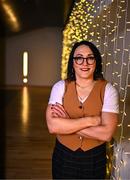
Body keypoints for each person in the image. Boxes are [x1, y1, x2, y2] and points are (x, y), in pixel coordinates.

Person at [46, 40, 119, 179]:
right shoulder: (60, 87)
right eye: (79, 58)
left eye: (90, 58)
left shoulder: (109, 90)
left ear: (96, 61)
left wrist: (67, 122)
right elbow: (53, 126)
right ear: (72, 62)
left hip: (95, 157)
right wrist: (91, 120)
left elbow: (106, 134)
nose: (84, 63)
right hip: (64, 155)